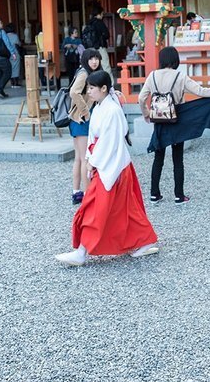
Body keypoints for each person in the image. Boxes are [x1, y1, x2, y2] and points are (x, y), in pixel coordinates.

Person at [55, 70, 159, 266]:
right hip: (110, 164)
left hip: (113, 166)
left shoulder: (111, 110)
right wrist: (90, 158)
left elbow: (109, 141)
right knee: (124, 209)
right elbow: (97, 138)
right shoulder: (102, 106)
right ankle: (144, 240)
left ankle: (82, 252)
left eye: (92, 88)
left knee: (96, 207)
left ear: (103, 89)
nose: (89, 91)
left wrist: (92, 161)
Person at [138, 47, 210, 204]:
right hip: (177, 120)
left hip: (160, 120)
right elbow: (201, 91)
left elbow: (141, 98)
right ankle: (178, 195)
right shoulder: (180, 76)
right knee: (177, 159)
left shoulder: (152, 76)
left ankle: (154, 194)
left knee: (158, 157)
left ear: (161, 60)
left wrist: (146, 114)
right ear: (175, 60)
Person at [67, 49, 103, 205]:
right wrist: (85, 112)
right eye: (91, 59)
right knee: (83, 158)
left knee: (78, 158)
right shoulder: (84, 74)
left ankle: (76, 192)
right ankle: (87, 194)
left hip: (77, 120)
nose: (94, 61)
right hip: (81, 120)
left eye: (97, 58)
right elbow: (74, 92)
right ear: (85, 60)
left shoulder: (87, 72)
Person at [82, 10, 112, 79]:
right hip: (100, 47)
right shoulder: (100, 22)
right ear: (99, 14)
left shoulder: (88, 23)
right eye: (102, 14)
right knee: (105, 65)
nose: (102, 16)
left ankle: (93, 82)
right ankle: (110, 84)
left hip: (90, 49)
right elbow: (107, 35)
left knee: (92, 66)